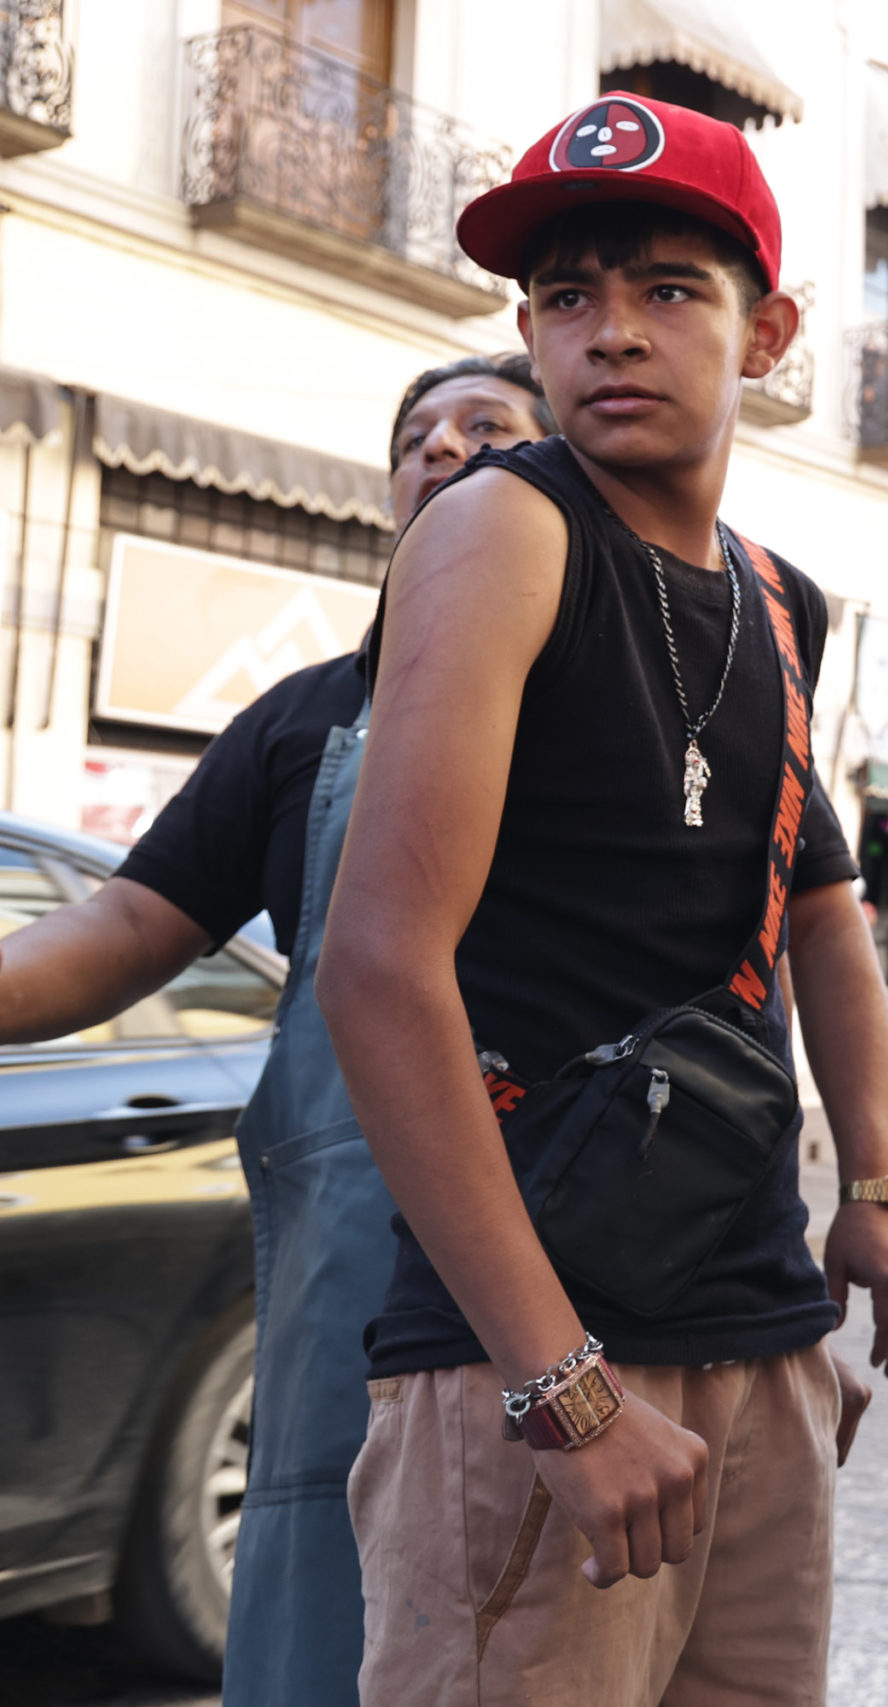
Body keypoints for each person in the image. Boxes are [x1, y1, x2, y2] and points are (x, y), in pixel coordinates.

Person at [315, 95, 888, 1705]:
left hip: (756, 1322)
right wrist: (559, 1385)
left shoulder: (778, 597)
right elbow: (380, 964)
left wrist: (880, 1179)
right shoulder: (500, 528)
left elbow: (822, 907)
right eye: (567, 298)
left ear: (767, 329)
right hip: (538, 1357)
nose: (610, 335)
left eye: (668, 289)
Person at [0, 350, 551, 1702]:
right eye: (416, 436)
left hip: (582, 1240)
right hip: (353, 1274)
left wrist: (872, 1180)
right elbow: (132, 922)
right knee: (326, 1617)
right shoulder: (303, 717)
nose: (442, 449)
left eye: (486, 427)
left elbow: (810, 919)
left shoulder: (645, 692)